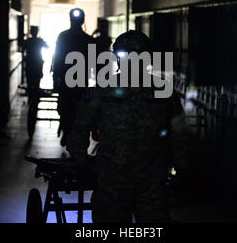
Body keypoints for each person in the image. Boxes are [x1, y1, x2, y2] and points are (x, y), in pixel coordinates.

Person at [67, 30, 194, 223]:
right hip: (115, 183)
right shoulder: (102, 90)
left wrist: (182, 169)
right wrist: (81, 162)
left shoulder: (163, 93)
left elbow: (180, 134)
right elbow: (80, 128)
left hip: (147, 184)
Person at [52, 8, 95, 147]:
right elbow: (57, 57)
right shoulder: (68, 37)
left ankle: (69, 131)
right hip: (68, 79)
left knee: (75, 108)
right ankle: (66, 129)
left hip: (78, 80)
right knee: (67, 107)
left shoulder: (83, 39)